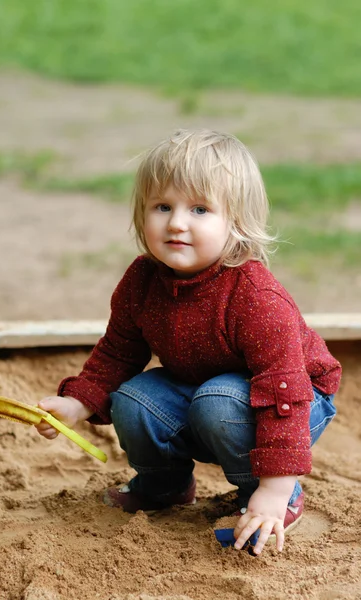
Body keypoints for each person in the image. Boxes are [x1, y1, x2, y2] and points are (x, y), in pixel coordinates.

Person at [35, 129, 341, 555]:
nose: (177, 222)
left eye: (199, 209)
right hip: (204, 394)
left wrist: (274, 488)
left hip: (295, 401)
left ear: (235, 223)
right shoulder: (142, 280)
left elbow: (282, 390)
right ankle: (164, 486)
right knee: (134, 398)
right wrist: (77, 403)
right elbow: (118, 351)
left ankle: (268, 495)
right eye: (163, 206)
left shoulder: (254, 297)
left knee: (217, 399)